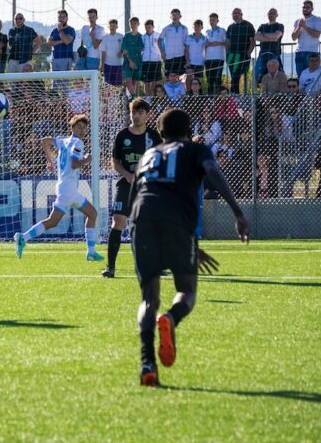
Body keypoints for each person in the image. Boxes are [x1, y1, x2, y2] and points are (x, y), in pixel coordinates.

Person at [130, 107, 249, 386]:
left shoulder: (148, 155)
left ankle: (147, 363)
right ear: (189, 130)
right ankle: (170, 319)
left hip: (141, 220)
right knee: (186, 291)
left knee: (149, 297)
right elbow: (213, 172)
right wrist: (238, 213)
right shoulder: (195, 150)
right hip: (176, 223)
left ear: (159, 132)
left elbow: (141, 195)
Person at [14, 114, 104, 262]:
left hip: (68, 189)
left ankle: (91, 252)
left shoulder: (63, 141)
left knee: (92, 213)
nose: (82, 130)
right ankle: (23, 237)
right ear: (72, 127)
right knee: (53, 221)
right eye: (79, 127)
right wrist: (86, 160)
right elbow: (75, 164)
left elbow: (45, 141)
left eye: (84, 128)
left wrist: (50, 160)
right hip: (68, 191)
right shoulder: (78, 143)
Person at [103, 99, 162, 278]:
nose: (136, 116)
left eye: (140, 113)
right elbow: (115, 162)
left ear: (147, 115)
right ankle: (110, 266)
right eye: (133, 113)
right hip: (127, 185)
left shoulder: (154, 137)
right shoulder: (122, 135)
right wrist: (127, 175)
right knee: (118, 222)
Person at [226, 8, 255, 94]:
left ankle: (235, 95)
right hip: (231, 55)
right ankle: (234, 95)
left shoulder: (248, 25)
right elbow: (228, 42)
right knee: (233, 76)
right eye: (233, 14)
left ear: (241, 14)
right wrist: (227, 54)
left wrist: (248, 53)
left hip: (242, 55)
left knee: (236, 76)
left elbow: (252, 41)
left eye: (237, 13)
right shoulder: (230, 27)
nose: (235, 15)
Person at [292, 0, 321, 77]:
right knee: (301, 77)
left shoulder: (317, 19)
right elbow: (294, 37)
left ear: (312, 9)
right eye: (304, 7)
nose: (305, 9)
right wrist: (299, 26)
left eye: (307, 7)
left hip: (311, 53)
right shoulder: (298, 21)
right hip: (299, 53)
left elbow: (316, 35)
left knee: (312, 77)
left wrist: (305, 27)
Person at [254, 8, 284, 84]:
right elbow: (256, 37)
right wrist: (271, 37)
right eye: (269, 13)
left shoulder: (280, 25)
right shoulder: (262, 26)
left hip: (274, 54)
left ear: (277, 15)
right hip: (262, 54)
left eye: (273, 13)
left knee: (275, 76)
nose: (271, 15)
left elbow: (276, 37)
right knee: (258, 75)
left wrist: (263, 35)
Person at [48, 10, 76, 92]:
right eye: (59, 17)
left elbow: (67, 41)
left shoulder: (71, 30)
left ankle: (65, 103)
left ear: (67, 18)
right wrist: (61, 41)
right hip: (55, 59)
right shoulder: (54, 30)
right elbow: (49, 43)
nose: (61, 19)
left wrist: (60, 31)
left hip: (66, 59)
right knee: (55, 84)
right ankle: (55, 102)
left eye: (63, 17)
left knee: (65, 85)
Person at [158, 9, 188, 77]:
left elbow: (186, 44)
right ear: (170, 17)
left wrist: (187, 58)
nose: (175, 17)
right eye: (173, 15)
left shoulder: (184, 28)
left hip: (181, 56)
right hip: (169, 57)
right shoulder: (166, 28)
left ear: (180, 16)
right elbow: (159, 40)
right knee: (168, 78)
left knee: (181, 78)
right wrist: (162, 52)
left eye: (176, 15)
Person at [204, 13, 227, 95]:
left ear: (217, 20)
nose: (212, 21)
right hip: (208, 59)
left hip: (219, 58)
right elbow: (205, 44)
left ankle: (219, 98)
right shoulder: (207, 31)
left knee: (217, 79)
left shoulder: (222, 30)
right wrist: (207, 44)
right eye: (210, 20)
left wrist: (218, 43)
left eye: (214, 20)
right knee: (209, 80)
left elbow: (226, 43)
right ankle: (210, 99)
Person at [121, 17, 144, 96]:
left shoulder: (141, 36)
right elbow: (124, 50)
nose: (133, 25)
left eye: (134, 23)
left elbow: (140, 50)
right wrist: (130, 61)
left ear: (138, 24)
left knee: (135, 83)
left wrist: (135, 62)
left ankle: (134, 101)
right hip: (128, 62)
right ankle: (132, 100)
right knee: (128, 82)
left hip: (137, 62)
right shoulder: (126, 36)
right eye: (131, 23)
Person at [141, 20, 163, 97]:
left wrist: (163, 57)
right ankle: (147, 98)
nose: (148, 29)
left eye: (149, 27)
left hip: (156, 60)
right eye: (146, 27)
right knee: (146, 82)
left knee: (155, 81)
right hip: (145, 61)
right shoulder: (142, 37)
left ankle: (154, 98)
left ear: (153, 27)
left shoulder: (158, 36)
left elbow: (163, 47)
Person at [99, 19, 124, 87]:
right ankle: (109, 98)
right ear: (108, 27)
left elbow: (124, 48)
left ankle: (118, 98)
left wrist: (121, 52)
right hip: (108, 64)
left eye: (114, 26)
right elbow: (103, 52)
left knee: (118, 85)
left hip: (118, 64)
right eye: (111, 26)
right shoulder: (105, 38)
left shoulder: (121, 36)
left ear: (117, 27)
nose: (112, 27)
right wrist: (102, 65)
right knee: (108, 86)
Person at [184, 19, 207, 84]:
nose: (196, 28)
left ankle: (198, 94)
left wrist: (205, 60)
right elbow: (186, 50)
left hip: (200, 62)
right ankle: (188, 93)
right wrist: (187, 61)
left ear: (202, 27)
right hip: (190, 62)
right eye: (195, 26)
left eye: (198, 26)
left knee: (198, 81)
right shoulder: (189, 37)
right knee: (188, 79)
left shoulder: (205, 38)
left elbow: (206, 50)